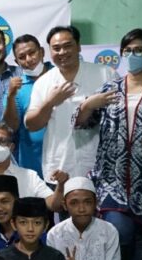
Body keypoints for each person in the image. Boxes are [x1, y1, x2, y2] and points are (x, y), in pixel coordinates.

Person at [74, 29, 142, 260]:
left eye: (139, 51)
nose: (132, 55)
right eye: (127, 51)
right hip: (111, 178)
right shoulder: (110, 88)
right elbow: (80, 123)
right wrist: (89, 104)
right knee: (120, 233)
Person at [26, 26, 115, 179]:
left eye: (68, 46)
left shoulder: (105, 74)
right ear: (50, 51)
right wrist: (50, 102)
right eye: (56, 48)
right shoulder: (43, 83)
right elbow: (32, 125)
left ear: (78, 46)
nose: (62, 52)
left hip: (99, 165)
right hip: (60, 165)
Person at [4, 35, 53, 176]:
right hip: (32, 163)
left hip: (65, 157)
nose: (29, 59)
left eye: (32, 53)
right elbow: (11, 126)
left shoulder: (60, 76)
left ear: (42, 52)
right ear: (16, 62)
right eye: (22, 57)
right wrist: (10, 97)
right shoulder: (17, 87)